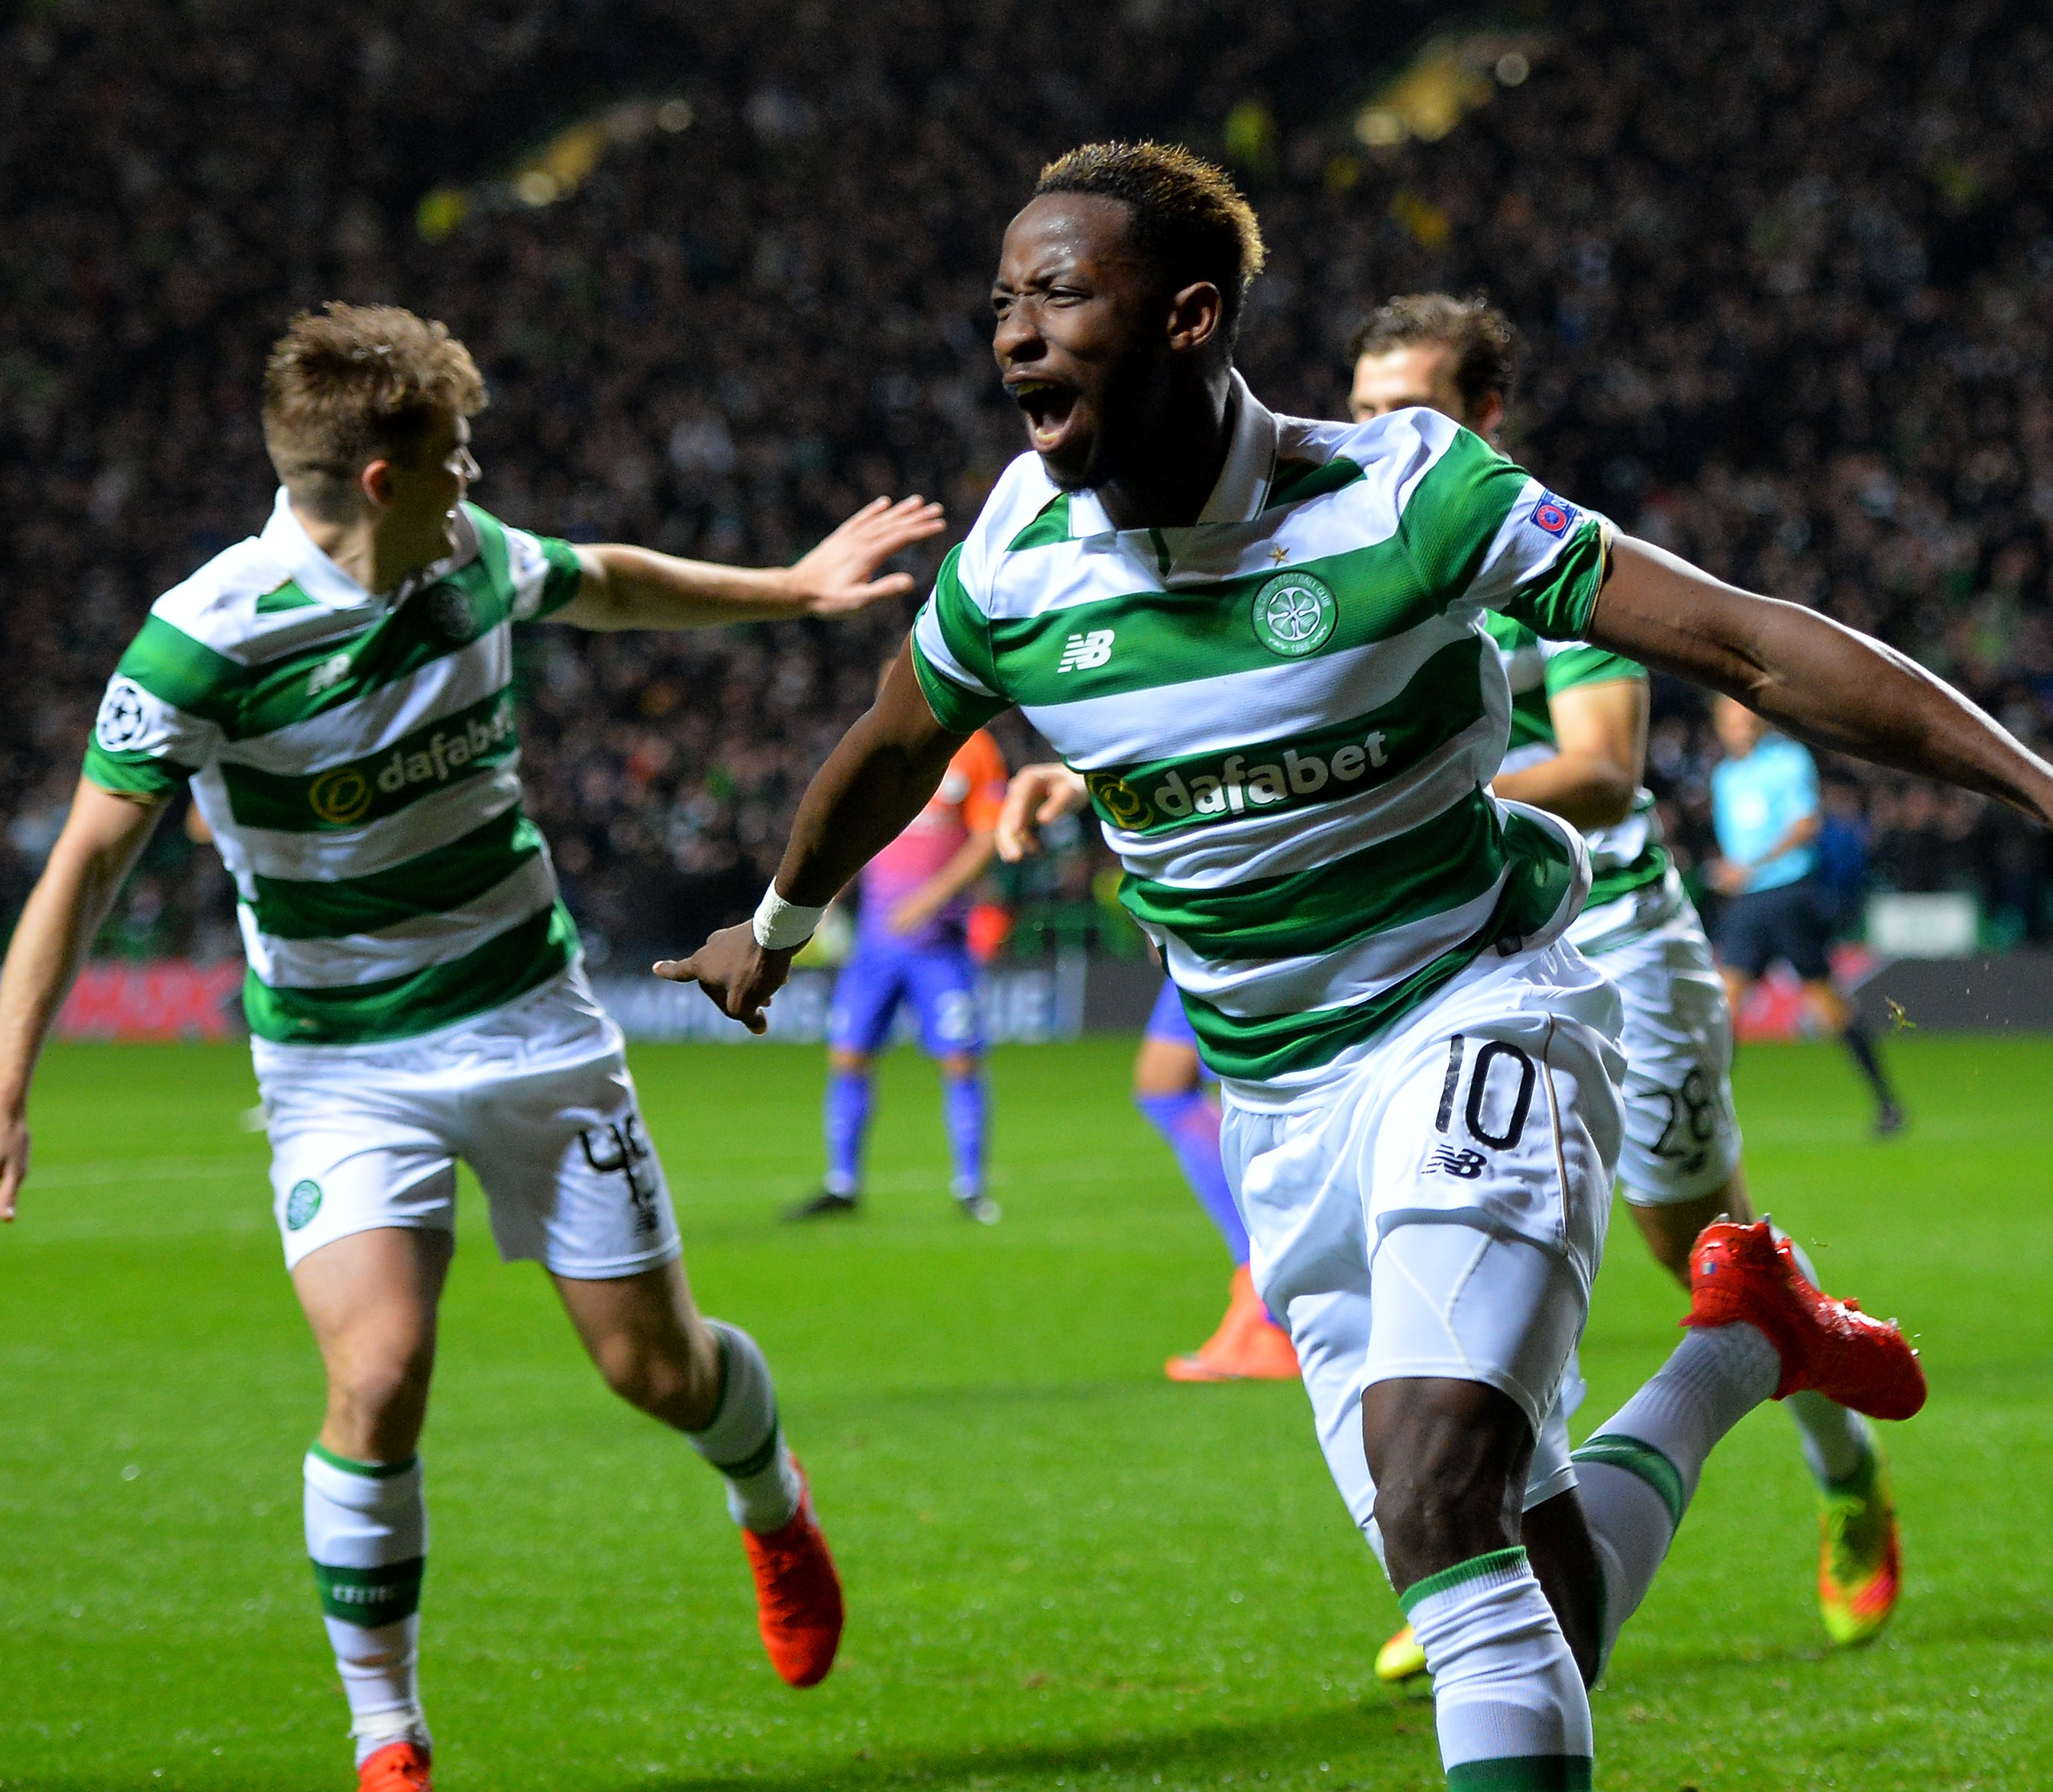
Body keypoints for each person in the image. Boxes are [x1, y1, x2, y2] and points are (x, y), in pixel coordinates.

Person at [655, 144, 2053, 1791]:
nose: (1014, 332)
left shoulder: (1404, 496)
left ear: (1189, 317)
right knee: (1524, 1611)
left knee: (1435, 1478)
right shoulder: (1017, 555)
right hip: (1278, 1105)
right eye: (1002, 298)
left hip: (1473, 1006)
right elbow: (889, 741)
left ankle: (1740, 1340)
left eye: (1061, 292)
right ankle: (1741, 1344)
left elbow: (1738, 636)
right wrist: (776, 925)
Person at [0, 304, 946, 1792]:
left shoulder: (465, 555)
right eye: (455, 450)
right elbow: (83, 870)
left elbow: (611, 582)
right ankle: (389, 1737)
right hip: (339, 1063)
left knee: (657, 1370)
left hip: (528, 1022)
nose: (478, 469)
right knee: (378, 1376)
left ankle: (768, 1501)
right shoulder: (203, 642)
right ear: (378, 479)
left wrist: (793, 588)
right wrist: (5, 1087)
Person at [1343, 293, 1903, 1666]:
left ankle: (1842, 1474)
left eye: (1406, 410)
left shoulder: (1541, 544)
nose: (1372, 437)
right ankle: (1484, 1546)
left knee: (1691, 1249)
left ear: (1481, 420)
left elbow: (1597, 768)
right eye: (1357, 410)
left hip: (1613, 944)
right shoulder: (1331, 562)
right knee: (1449, 1253)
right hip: (1454, 956)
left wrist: (1401, 794)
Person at [998, 765, 1298, 1382]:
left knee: (1255, 1093)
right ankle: (1263, 1290)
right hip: (1203, 902)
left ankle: (1275, 1312)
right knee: (1164, 1088)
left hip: (1242, 897)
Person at [787, 728, 1008, 1224]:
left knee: (959, 1062)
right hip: (875, 945)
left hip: (939, 944)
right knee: (847, 1055)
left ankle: (970, 1189)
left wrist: (932, 896)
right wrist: (821, 900)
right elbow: (852, 836)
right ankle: (841, 1184)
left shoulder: (974, 750)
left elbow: (987, 838)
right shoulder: (875, 743)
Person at [1708, 695, 1908, 1134]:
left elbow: (1805, 825)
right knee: (1725, 1005)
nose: (1736, 726)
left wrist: (1750, 866)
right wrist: (1731, 871)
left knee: (1824, 1005)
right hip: (1748, 902)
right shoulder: (1724, 776)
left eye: (1742, 717)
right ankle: (1707, 1113)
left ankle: (1887, 1101)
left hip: (1788, 895)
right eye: (1727, 718)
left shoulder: (1787, 760)